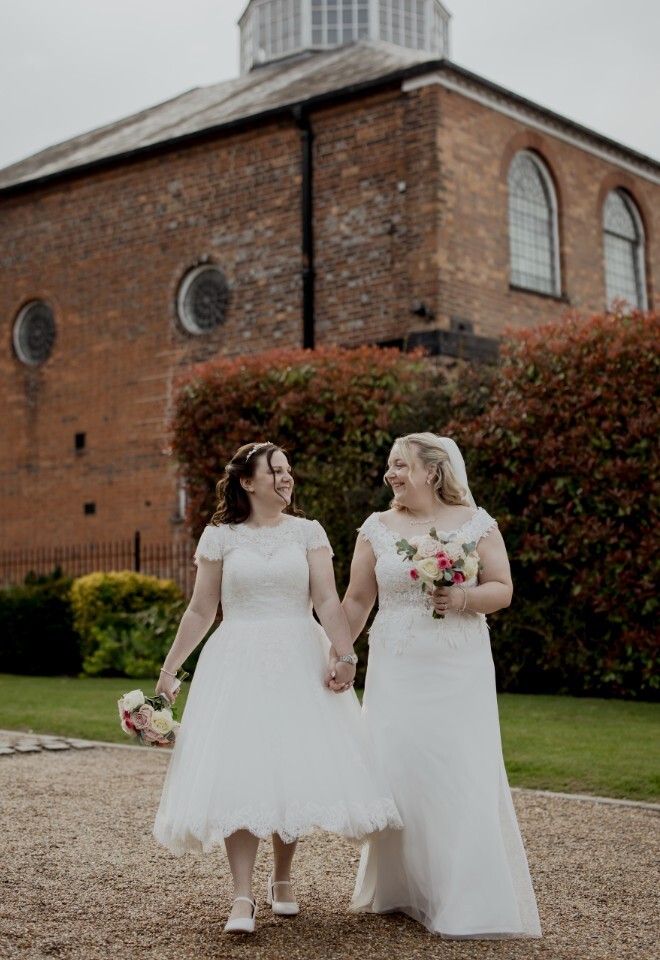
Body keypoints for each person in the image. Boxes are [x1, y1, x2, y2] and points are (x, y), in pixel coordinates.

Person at [153, 441, 401, 935]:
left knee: (290, 767)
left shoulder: (308, 532)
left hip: (298, 660)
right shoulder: (219, 537)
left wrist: (345, 654)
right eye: (275, 471)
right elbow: (201, 609)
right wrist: (170, 670)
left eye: (288, 470)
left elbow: (327, 601)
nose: (286, 478)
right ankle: (242, 895)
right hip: (237, 663)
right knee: (242, 770)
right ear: (248, 482)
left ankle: (282, 878)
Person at [339, 432, 541, 939]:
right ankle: (406, 888)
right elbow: (358, 600)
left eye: (400, 464)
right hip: (396, 665)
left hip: (457, 665)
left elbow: (503, 588)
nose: (390, 473)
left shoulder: (476, 523)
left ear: (432, 470)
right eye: (389, 465)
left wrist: (464, 599)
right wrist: (337, 651)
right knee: (402, 768)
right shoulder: (376, 528)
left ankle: (462, 896)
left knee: (457, 769)